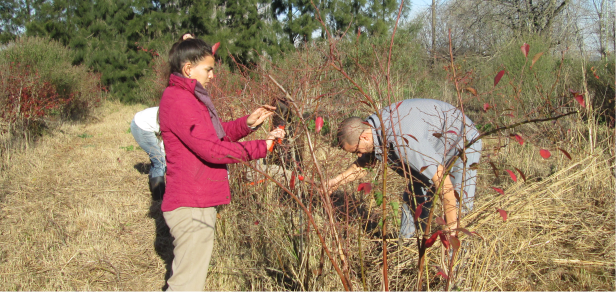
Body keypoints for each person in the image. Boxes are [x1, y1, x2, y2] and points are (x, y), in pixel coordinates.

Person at [158, 36, 285, 291]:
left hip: (196, 200)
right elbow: (212, 150)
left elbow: (211, 136)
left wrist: (247, 124)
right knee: (186, 285)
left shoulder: (188, 97)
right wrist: (264, 146)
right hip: (191, 204)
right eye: (208, 69)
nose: (212, 75)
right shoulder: (180, 101)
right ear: (188, 69)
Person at [326, 99, 482, 239]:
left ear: (364, 137)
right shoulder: (370, 129)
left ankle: (456, 259)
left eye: (356, 151)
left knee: (459, 207)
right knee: (413, 200)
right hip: (432, 147)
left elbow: (443, 183)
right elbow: (364, 164)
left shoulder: (403, 140)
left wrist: (451, 228)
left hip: (462, 141)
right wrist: (337, 181)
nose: (359, 155)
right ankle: (408, 249)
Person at [131, 106, 166, 201]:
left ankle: (156, 187)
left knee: (159, 160)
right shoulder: (170, 117)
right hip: (141, 126)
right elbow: (163, 140)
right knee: (160, 161)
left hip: (143, 122)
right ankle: (159, 198)